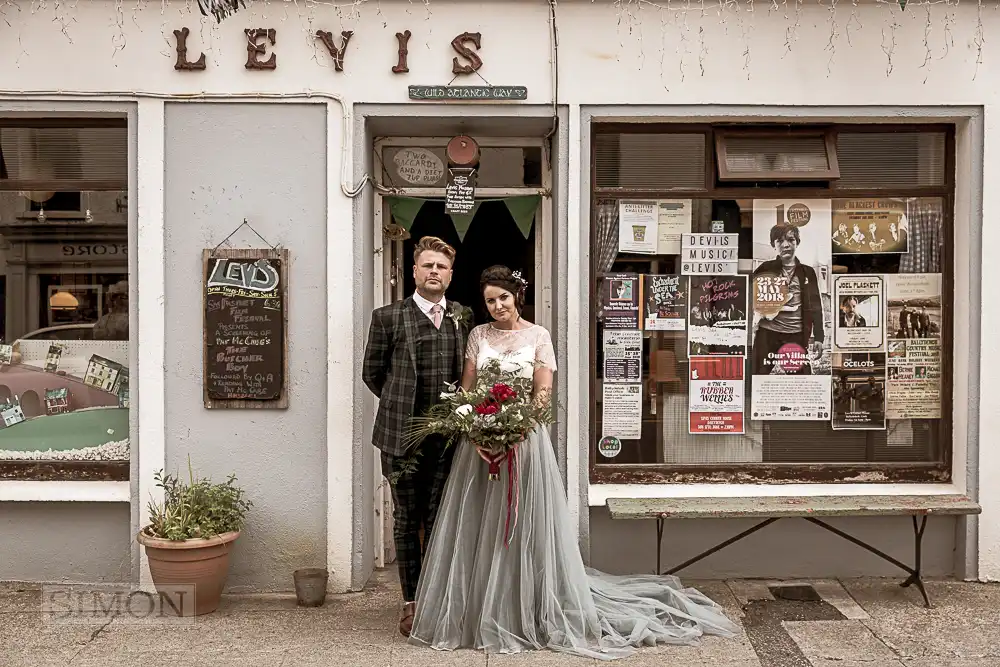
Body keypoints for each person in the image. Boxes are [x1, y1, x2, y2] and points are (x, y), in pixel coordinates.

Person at [408, 265, 739, 660]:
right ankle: (480, 610)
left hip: (523, 442)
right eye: (490, 300)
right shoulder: (478, 335)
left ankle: (526, 607)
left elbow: (542, 393)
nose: (497, 306)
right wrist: (478, 430)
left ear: (518, 297)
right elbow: (467, 389)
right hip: (479, 446)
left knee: (523, 526)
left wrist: (515, 431)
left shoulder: (538, 336)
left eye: (503, 298)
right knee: (480, 526)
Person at [362, 236, 474, 638]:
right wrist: (401, 410)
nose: (434, 272)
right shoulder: (388, 317)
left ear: (450, 274)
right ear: (414, 271)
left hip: (447, 439)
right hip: (401, 440)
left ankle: (438, 596)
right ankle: (411, 602)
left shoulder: (461, 315)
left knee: (440, 518)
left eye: (441, 267)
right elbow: (371, 374)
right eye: (427, 265)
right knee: (407, 521)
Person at [751, 224, 825, 376]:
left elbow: (816, 306)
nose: (786, 245)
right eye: (780, 241)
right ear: (773, 244)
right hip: (767, 334)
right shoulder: (765, 269)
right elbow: (751, 299)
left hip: (795, 335)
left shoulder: (807, 272)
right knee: (755, 378)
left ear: (797, 242)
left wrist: (819, 337)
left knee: (803, 381)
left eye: (791, 240)